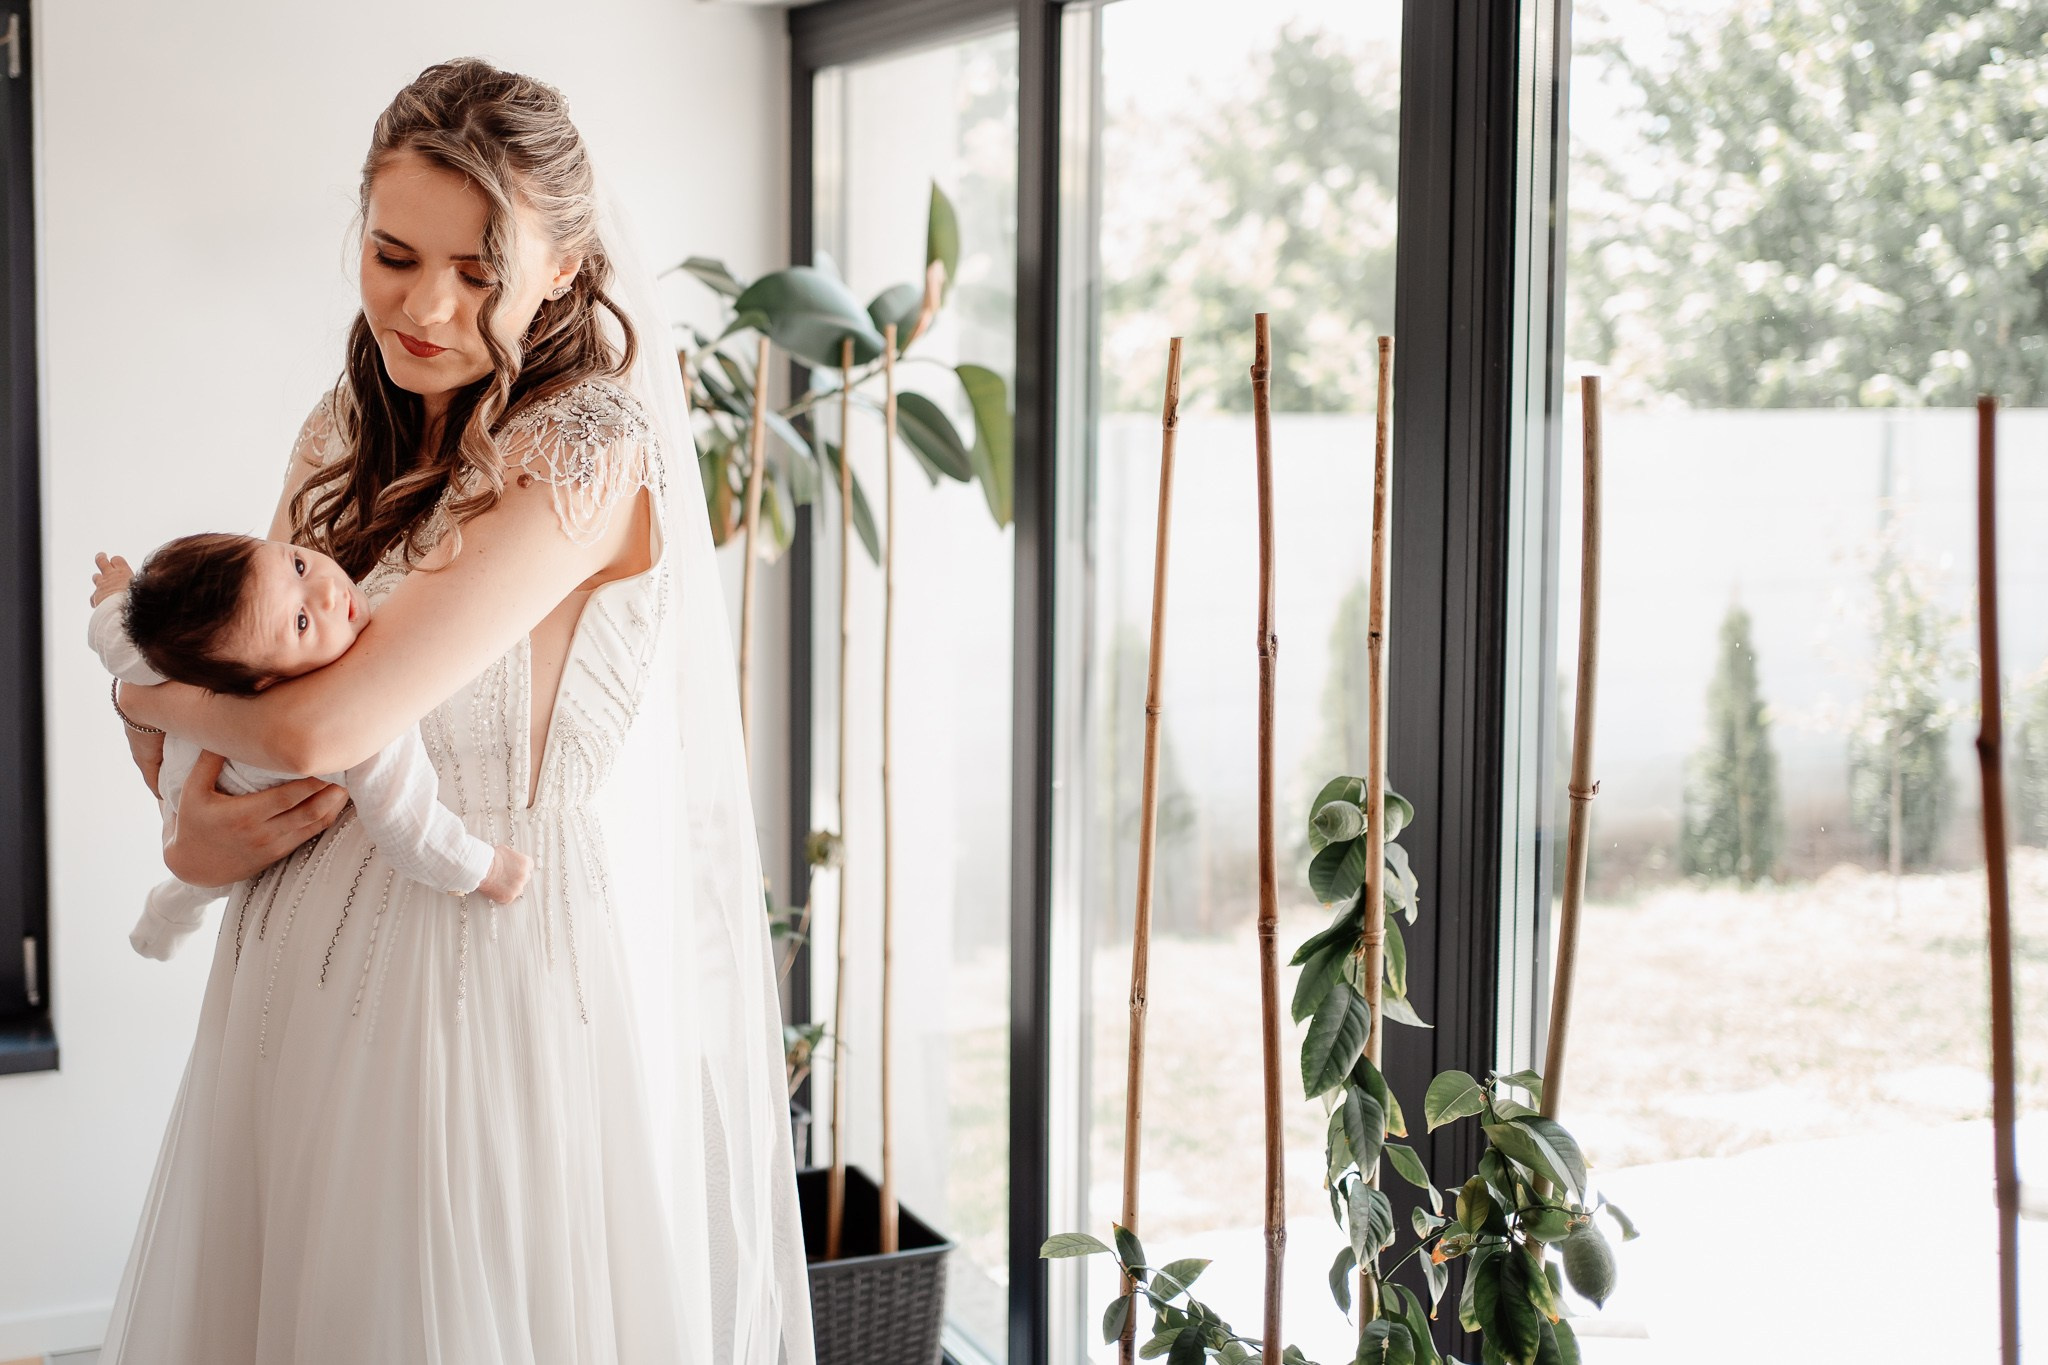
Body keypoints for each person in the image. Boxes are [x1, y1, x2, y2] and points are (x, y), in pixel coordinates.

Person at [102, 59, 811, 1364]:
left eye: (478, 271)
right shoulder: (339, 429)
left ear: (564, 264)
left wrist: (137, 685)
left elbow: (320, 727)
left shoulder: (586, 451)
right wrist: (189, 824)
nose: (423, 307)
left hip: (473, 966)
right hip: (284, 954)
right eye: (391, 253)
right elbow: (252, 690)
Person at [88, 538, 532, 962]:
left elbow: (118, 644)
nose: (327, 593)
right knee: (204, 883)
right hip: (224, 809)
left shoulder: (189, 652)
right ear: (265, 684)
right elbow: (409, 829)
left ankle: (165, 915)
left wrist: (118, 598)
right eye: (300, 622)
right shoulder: (357, 714)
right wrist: (487, 870)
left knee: (189, 883)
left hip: (182, 767)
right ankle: (167, 914)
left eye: (298, 566)